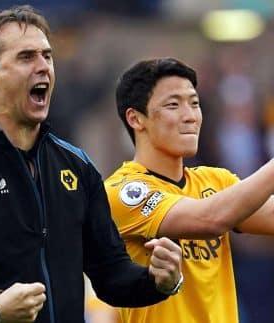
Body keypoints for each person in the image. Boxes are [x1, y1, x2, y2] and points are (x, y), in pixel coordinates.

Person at [0, 7, 183, 323]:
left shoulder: (78, 167)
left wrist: (158, 281)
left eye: (47, 57)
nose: (44, 67)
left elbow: (110, 274)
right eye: (26, 57)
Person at [105, 57, 274, 323]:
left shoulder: (216, 181)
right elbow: (209, 220)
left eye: (194, 104)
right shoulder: (124, 191)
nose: (190, 116)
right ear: (136, 119)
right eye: (173, 105)